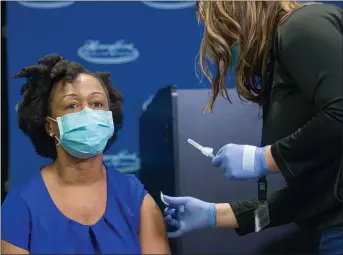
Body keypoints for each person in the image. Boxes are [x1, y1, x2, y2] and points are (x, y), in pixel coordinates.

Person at [162, 1, 342, 254]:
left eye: (220, 25)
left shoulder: (303, 25)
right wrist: (214, 214)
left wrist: (264, 158)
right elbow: (309, 198)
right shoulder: (282, 61)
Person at [1, 54, 171, 254]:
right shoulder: (21, 205)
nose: (88, 113)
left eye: (97, 104)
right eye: (72, 105)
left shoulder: (136, 199)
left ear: (110, 117)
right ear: (49, 126)